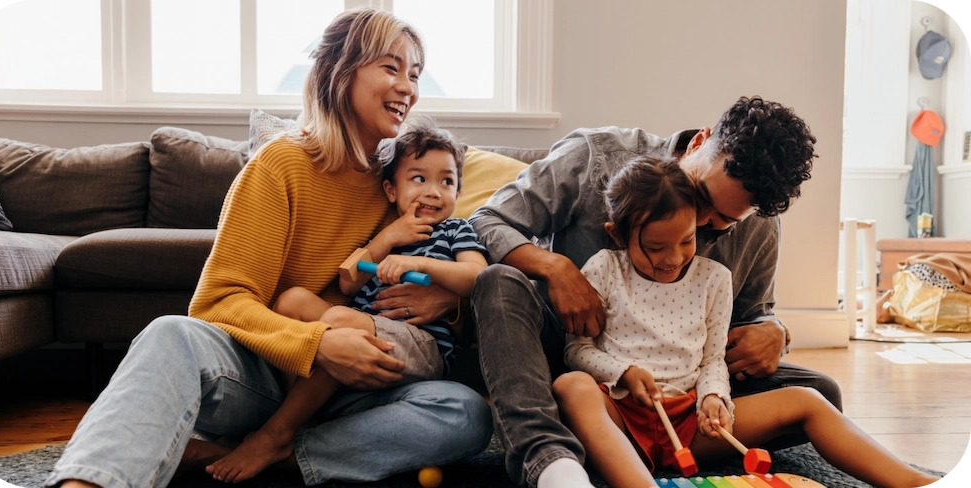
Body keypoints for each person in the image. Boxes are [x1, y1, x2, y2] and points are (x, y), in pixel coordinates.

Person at [45, 8, 492, 488]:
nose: (408, 87)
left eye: (415, 74)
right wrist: (317, 345)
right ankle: (89, 481)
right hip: (262, 376)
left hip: (352, 390)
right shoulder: (280, 164)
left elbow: (449, 284)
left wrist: (448, 303)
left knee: (464, 413)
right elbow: (217, 302)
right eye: (391, 67)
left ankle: (271, 452)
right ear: (340, 73)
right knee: (169, 334)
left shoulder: (400, 184)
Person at [468, 96, 841, 488]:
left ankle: (628, 441)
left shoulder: (760, 226)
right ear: (700, 141)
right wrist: (555, 268)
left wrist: (775, 332)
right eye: (702, 198)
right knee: (496, 282)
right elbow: (487, 219)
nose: (697, 224)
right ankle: (550, 460)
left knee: (821, 393)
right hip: (559, 356)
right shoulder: (595, 156)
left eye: (723, 222)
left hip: (674, 386)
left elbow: (753, 315)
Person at [551, 156, 942, 488]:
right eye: (655, 248)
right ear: (617, 235)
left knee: (807, 398)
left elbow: (711, 362)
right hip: (620, 415)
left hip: (689, 421)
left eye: (686, 241)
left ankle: (919, 483)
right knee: (571, 385)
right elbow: (577, 349)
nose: (672, 258)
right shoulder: (604, 268)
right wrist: (624, 372)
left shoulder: (715, 278)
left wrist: (714, 399)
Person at [205, 121, 489, 482]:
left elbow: (477, 277)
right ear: (391, 189)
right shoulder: (385, 231)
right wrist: (387, 238)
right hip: (358, 336)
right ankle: (303, 418)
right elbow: (348, 280)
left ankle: (278, 434)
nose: (433, 192)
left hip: (419, 343)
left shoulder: (456, 231)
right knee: (293, 301)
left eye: (446, 181)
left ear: (458, 191)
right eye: (419, 179)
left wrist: (418, 262)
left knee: (342, 321)